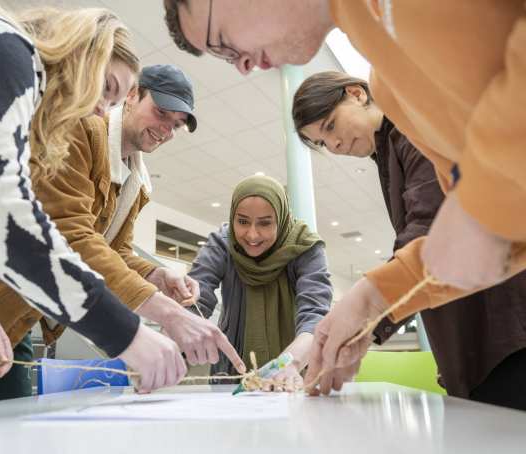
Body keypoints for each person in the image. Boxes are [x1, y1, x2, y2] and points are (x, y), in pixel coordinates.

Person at [164, 0, 526, 398]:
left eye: (223, 42)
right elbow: (453, 239)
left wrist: (481, 203)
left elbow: (455, 223)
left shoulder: (396, 74)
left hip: (505, 338)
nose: (242, 66)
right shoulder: (388, 78)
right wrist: (372, 303)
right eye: (324, 140)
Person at [0, 0, 185, 409]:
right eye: (107, 88)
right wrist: (125, 333)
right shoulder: (2, 44)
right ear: (81, 50)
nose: (100, 109)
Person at [0, 64, 244, 407]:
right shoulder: (84, 130)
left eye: (176, 125)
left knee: (7, 423)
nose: (166, 130)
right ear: (131, 96)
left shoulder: (135, 183)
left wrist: (157, 274)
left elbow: (117, 250)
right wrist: (167, 314)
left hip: (23, 311)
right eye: (161, 113)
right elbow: (72, 236)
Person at [292, 71, 526, 409]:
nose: (335, 145)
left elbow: (431, 232)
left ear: (357, 94)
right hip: (483, 344)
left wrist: (368, 312)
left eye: (330, 126)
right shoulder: (388, 151)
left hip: (503, 337)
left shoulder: (410, 127)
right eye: (323, 143)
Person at [187, 175, 332, 390]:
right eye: (243, 222)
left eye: (265, 223)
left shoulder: (305, 248)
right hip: (232, 374)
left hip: (295, 373)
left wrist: (290, 363)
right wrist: (168, 346)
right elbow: (196, 299)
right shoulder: (222, 244)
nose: (252, 235)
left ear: (281, 219)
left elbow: (316, 315)